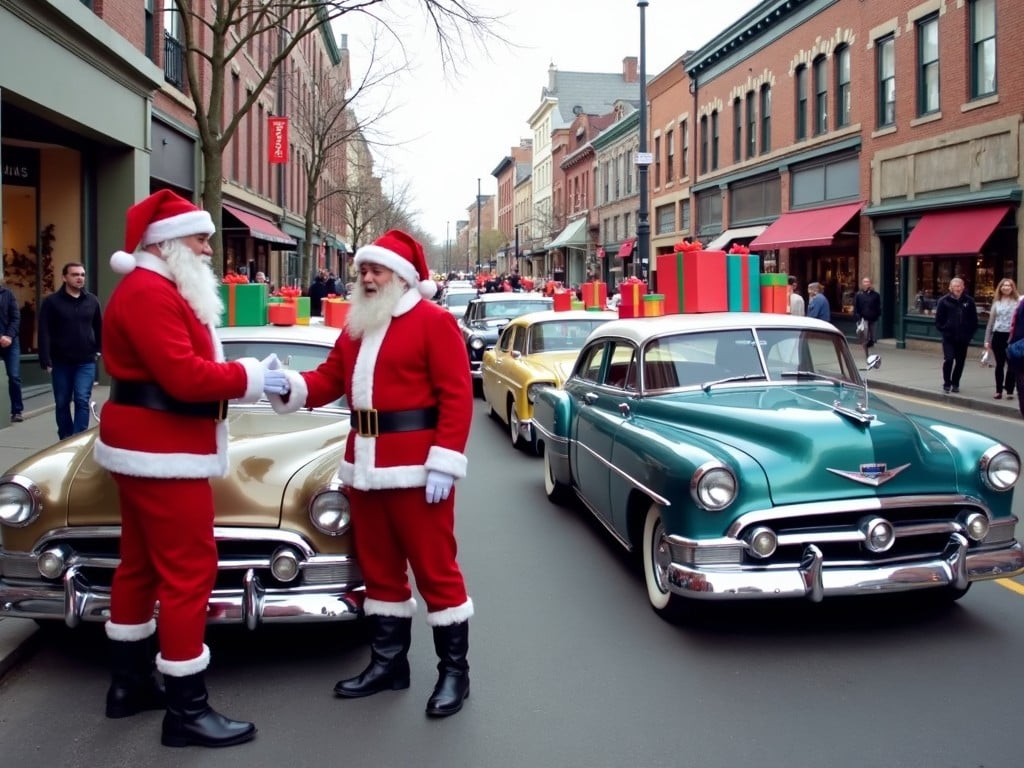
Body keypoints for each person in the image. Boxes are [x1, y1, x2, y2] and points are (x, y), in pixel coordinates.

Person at [265, 229, 474, 718]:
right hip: (363, 467)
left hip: (419, 470)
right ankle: (388, 665)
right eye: (363, 270)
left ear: (401, 277)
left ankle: (454, 673)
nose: (366, 277)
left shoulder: (434, 323)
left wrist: (445, 458)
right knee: (379, 570)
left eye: (375, 270)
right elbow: (327, 381)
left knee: (436, 571)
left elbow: (457, 398)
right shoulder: (356, 326)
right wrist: (286, 383)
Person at [93, 189, 275, 749]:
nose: (206, 249)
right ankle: (186, 710)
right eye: (200, 239)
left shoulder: (151, 287)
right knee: (189, 571)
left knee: (140, 566)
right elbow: (185, 378)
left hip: (149, 444)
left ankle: (129, 685)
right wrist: (248, 375)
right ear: (166, 243)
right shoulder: (151, 292)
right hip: (163, 449)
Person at [37, 262, 103, 439]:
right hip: (61, 361)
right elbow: (44, 331)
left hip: (86, 361)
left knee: (82, 399)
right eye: (75, 275)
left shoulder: (92, 300)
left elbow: (99, 327)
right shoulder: (51, 302)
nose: (80, 278)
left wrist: (99, 350)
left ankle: (78, 438)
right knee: (62, 402)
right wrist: (45, 358)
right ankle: (65, 438)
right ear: (64, 277)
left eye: (82, 274)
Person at [934, 277, 978, 394]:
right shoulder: (944, 301)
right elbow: (938, 320)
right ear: (950, 287)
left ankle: (955, 383)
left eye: (959, 286)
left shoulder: (969, 301)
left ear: (963, 287)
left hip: (963, 338)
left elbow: (974, 320)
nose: (957, 288)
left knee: (960, 362)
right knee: (949, 359)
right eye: (955, 286)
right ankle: (947, 382)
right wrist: (944, 329)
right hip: (949, 337)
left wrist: (969, 334)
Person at [982, 278, 1019, 399]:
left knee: (1012, 364)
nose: (1006, 287)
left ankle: (1009, 390)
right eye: (1003, 285)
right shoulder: (996, 303)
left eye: (1008, 285)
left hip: (1012, 336)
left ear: (1012, 287)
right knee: (999, 364)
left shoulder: (1018, 302)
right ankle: (998, 390)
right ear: (1000, 288)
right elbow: (990, 323)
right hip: (998, 335)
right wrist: (987, 340)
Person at [0, 280, 23, 422]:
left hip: (11, 341)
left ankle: (17, 410)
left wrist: (8, 335)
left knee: (14, 376)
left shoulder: (7, 294)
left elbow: (16, 317)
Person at [853, 276, 882, 356]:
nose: (866, 283)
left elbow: (878, 306)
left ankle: (871, 343)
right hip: (863, 318)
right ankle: (866, 352)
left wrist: (878, 314)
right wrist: (857, 317)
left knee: (872, 336)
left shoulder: (876, 295)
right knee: (865, 335)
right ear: (862, 284)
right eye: (865, 282)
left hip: (873, 318)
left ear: (870, 283)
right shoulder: (859, 294)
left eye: (868, 282)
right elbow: (856, 306)